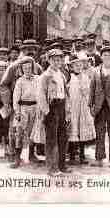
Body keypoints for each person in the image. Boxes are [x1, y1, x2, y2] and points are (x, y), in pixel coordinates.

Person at [0, 40, 44, 164]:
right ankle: (14, 155)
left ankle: (31, 154)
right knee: (15, 130)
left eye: (33, 49)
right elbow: (3, 85)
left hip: (34, 105)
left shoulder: (38, 68)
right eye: (27, 49)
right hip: (17, 104)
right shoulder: (13, 67)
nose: (31, 52)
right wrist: (7, 102)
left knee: (33, 130)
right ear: (22, 51)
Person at [37, 48, 71, 176]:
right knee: (52, 139)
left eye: (59, 60)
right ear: (49, 60)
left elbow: (66, 94)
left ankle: (62, 165)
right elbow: (41, 95)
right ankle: (52, 168)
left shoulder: (61, 74)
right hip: (51, 107)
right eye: (54, 60)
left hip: (62, 106)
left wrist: (67, 110)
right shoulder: (45, 76)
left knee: (63, 137)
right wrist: (46, 111)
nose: (57, 62)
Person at [10, 56, 44, 168]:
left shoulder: (38, 79)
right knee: (19, 133)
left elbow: (41, 95)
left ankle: (31, 154)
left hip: (35, 108)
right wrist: (17, 112)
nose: (28, 70)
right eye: (25, 68)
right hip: (23, 108)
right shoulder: (20, 81)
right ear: (22, 69)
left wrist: (40, 109)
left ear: (33, 68)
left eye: (30, 68)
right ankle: (17, 157)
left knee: (33, 132)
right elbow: (15, 98)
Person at [66, 52, 96, 165]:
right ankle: (72, 155)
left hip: (83, 107)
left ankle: (82, 155)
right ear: (71, 67)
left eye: (80, 65)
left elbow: (89, 92)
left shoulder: (86, 77)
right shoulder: (70, 78)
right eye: (76, 65)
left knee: (82, 130)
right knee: (73, 130)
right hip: (73, 107)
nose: (78, 67)